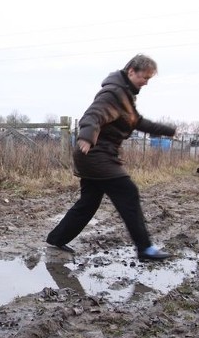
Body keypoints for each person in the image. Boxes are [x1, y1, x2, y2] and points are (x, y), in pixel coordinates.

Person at [46, 54, 176, 261]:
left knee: (89, 202)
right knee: (128, 192)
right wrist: (87, 137)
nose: (146, 83)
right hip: (95, 153)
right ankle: (145, 249)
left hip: (96, 155)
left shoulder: (125, 96)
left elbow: (137, 122)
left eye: (149, 79)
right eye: (145, 77)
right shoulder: (113, 94)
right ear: (131, 71)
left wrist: (169, 130)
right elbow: (93, 115)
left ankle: (56, 239)